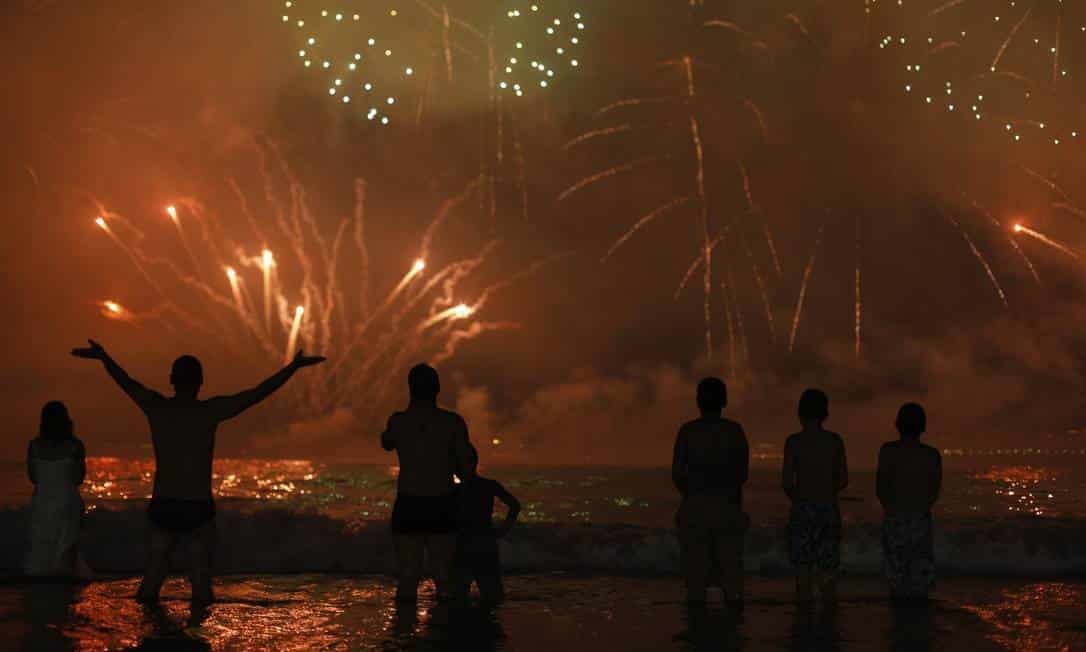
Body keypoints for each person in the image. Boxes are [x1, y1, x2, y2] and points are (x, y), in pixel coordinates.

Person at [70, 339, 325, 606]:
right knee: (201, 584)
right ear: (200, 382)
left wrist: (104, 357)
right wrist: (293, 367)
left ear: (171, 379)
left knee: (153, 578)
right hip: (197, 507)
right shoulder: (209, 411)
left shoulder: (157, 408)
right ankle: (195, 634)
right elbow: (257, 393)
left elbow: (125, 382)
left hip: (164, 505)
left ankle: (148, 634)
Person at [381, 363, 475, 604]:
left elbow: (386, 442)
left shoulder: (398, 422)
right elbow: (466, 469)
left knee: (408, 577)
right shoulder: (452, 422)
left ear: (410, 388)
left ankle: (403, 636)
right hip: (441, 501)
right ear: (438, 389)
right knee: (443, 577)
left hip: (409, 502)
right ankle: (443, 635)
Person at [671, 377, 750, 610]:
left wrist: (693, 492)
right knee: (731, 578)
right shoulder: (734, 431)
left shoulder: (687, 431)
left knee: (695, 581)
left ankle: (697, 632)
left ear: (698, 401)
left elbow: (677, 474)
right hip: (727, 507)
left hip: (695, 507)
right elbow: (742, 474)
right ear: (724, 401)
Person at [781, 388, 848, 604]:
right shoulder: (835, 441)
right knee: (827, 572)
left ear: (800, 412)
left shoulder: (793, 442)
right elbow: (844, 479)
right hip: (828, 508)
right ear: (825, 413)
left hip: (802, 508)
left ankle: (804, 622)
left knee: (803, 573)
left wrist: (799, 498)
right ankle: (827, 624)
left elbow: (787, 482)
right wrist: (827, 491)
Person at [877, 403, 941, 602]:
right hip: (920, 519)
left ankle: (900, 624)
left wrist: (893, 508)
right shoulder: (931, 455)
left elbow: (880, 489)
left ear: (898, 425)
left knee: (897, 580)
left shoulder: (888, 451)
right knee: (920, 582)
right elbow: (934, 492)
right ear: (922, 426)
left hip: (895, 518)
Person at [23, 401, 93, 578]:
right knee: (66, 550)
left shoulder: (34, 446)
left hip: (42, 502)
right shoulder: (75, 445)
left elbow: (33, 477)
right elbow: (78, 479)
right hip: (67, 501)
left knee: (41, 546)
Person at [454, 445, 521, 604]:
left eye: (457, 465)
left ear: (472, 463)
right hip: (482, 542)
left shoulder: (454, 490)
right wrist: (503, 530)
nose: (455, 469)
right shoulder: (488, 485)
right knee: (491, 594)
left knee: (461, 595)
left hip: (467, 544)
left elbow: (515, 505)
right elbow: (514, 505)